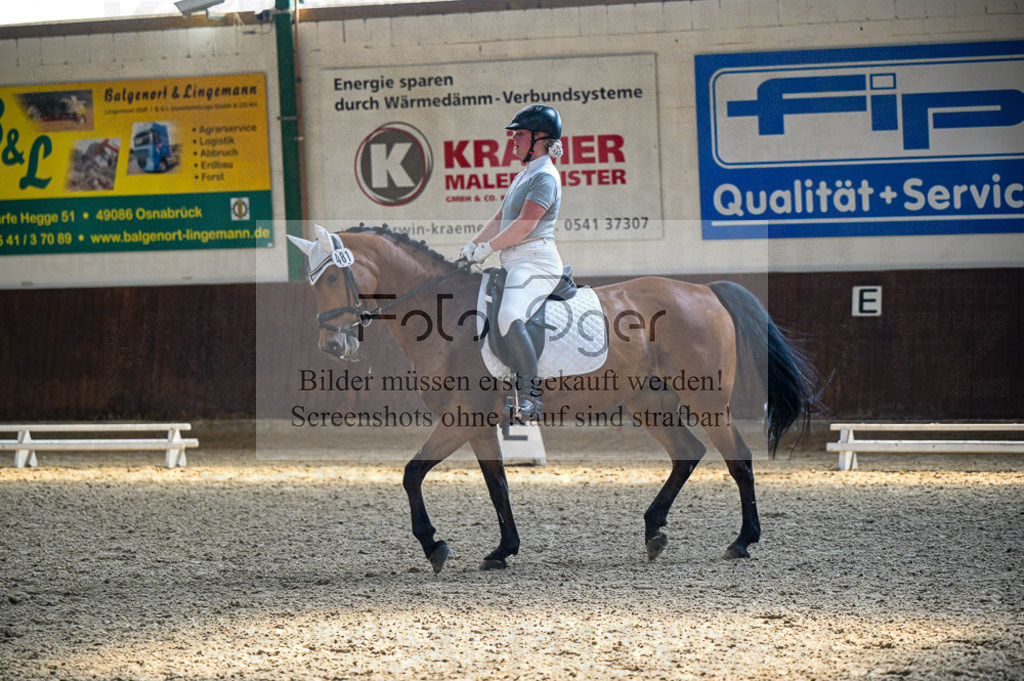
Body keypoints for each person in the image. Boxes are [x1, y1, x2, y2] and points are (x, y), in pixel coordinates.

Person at [461, 105, 565, 420]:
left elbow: (524, 225)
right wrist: (473, 245)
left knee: (508, 315)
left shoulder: (545, 176)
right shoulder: (524, 175)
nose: (514, 140)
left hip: (536, 262)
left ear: (540, 138)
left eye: (520, 133)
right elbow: (500, 218)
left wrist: (488, 249)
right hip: (514, 260)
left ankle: (530, 397)